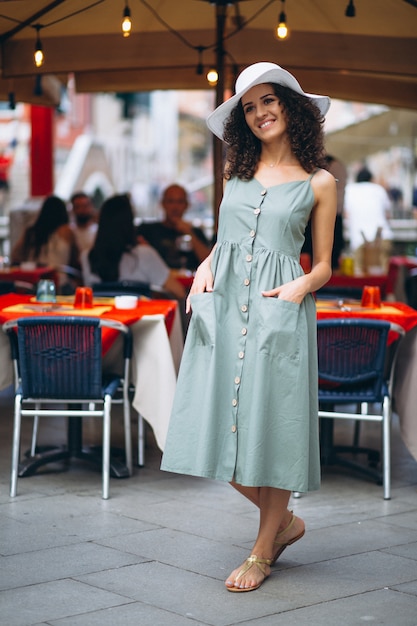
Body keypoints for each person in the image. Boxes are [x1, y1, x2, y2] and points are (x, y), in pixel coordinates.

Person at [160, 62, 336, 592]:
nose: (260, 112)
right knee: (212, 427)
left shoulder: (320, 182)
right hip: (225, 305)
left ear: (291, 105)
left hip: (278, 306)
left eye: (268, 100)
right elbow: (222, 243)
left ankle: (261, 551)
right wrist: (204, 267)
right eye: (249, 106)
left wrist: (300, 288)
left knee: (273, 427)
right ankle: (282, 524)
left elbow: (324, 263)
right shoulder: (233, 175)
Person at [80, 194, 186, 299]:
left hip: (102, 315)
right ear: (129, 222)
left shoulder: (86, 256)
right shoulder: (145, 254)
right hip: (141, 315)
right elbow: (179, 291)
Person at [136, 184, 211, 271]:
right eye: (170, 201)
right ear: (163, 204)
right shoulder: (147, 230)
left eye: (180, 202)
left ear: (186, 205)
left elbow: (209, 263)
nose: (175, 207)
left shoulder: (196, 232)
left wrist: (190, 234)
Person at [11, 194, 79, 289]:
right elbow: (76, 258)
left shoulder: (31, 232)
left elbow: (15, 255)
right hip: (59, 281)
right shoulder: (66, 231)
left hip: (34, 282)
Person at [344, 166, 393, 273]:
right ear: (371, 179)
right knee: (383, 274)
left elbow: (346, 214)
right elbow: (388, 214)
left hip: (358, 239)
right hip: (382, 236)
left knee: (360, 275)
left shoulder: (349, 190)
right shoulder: (379, 189)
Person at [301, 153, 347, 269]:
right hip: (331, 215)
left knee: (322, 259)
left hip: (326, 216)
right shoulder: (335, 165)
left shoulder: (329, 167)